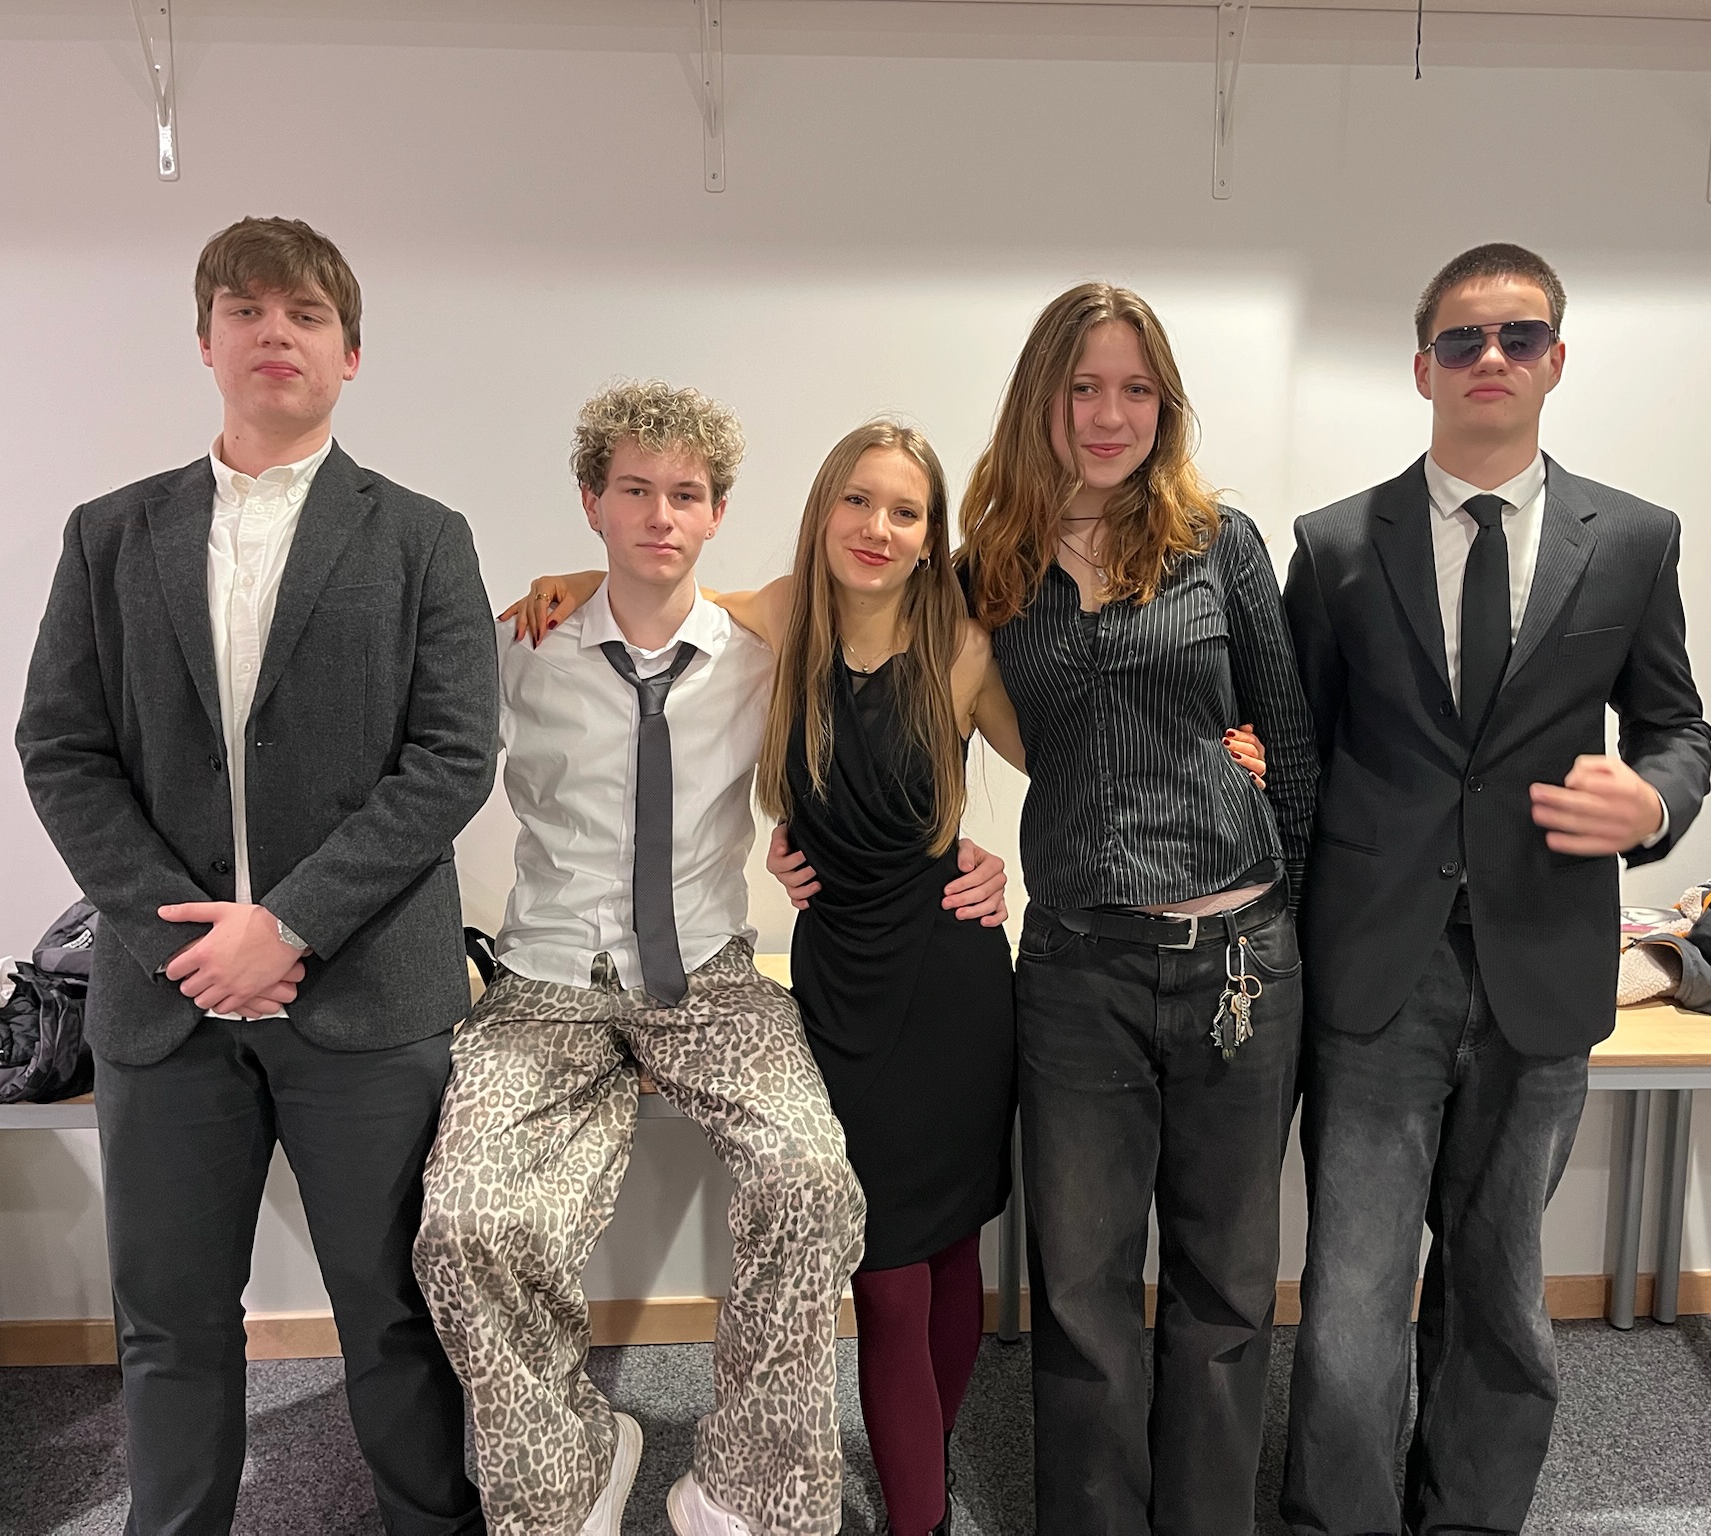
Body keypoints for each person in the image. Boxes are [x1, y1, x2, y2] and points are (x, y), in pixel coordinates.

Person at [516, 421, 1272, 1536]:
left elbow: (1075, 755)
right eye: (858, 502)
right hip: (839, 983)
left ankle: (922, 1501)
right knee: (879, 1272)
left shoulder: (963, 642)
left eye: (906, 512)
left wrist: (1212, 750)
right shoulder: (784, 618)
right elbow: (667, 593)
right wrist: (576, 579)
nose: (878, 527)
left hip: (951, 976)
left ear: (931, 536)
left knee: (950, 1249)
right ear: (824, 511)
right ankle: (924, 1506)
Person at [415, 388, 1005, 1536]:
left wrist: (965, 849)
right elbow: (415, 773)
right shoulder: (518, 647)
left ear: (717, 512)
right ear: (589, 500)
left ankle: (743, 1487)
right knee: (464, 1228)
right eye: (632, 490)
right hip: (545, 984)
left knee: (812, 1182)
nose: (658, 516)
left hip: (714, 981)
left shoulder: (762, 649)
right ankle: (576, 1463)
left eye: (682, 495)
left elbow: (890, 736)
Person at [15, 216, 495, 1535]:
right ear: (206, 343)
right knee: (169, 1320)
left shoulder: (424, 538)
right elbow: (60, 748)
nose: (273, 330)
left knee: (397, 1313)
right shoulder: (110, 535)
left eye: (304, 313)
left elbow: (453, 759)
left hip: (369, 995)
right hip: (165, 1001)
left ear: (351, 355)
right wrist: (186, 939)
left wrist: (287, 924)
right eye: (245, 309)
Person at [1279, 243, 1711, 1536]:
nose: (1489, 358)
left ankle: (1471, 1515)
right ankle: (1340, 1520)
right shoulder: (1334, 545)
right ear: (1422, 367)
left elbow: (1676, 728)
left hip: (1544, 955)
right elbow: (1297, 758)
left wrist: (1654, 804)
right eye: (1461, 340)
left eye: (1517, 337)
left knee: (1501, 1282)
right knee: (1353, 1293)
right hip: (1375, 965)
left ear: (1554, 361)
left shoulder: (1630, 540)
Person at [959, 282, 1319, 1536]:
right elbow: (849, 634)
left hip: (1240, 964)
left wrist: (1291, 927)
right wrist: (586, 574)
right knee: (1079, 1290)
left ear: (1163, 406)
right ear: (1040, 400)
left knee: (1225, 1285)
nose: (1107, 415)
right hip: (1077, 971)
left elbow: (1290, 741)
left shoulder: (1219, 544)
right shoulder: (987, 569)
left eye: (1135, 390)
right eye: (1082, 388)